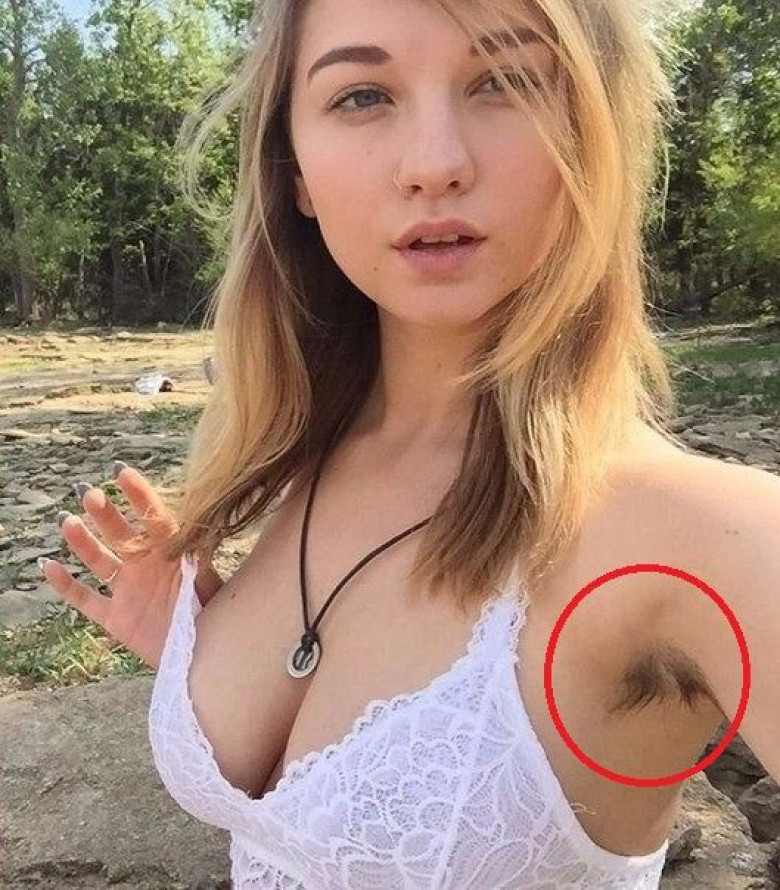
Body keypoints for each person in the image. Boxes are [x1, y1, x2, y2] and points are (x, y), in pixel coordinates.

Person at [41, 0, 780, 887]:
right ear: (295, 171)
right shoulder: (313, 456)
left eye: (506, 82)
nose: (434, 164)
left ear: (594, 134)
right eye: (362, 96)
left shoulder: (700, 538)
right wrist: (198, 657)